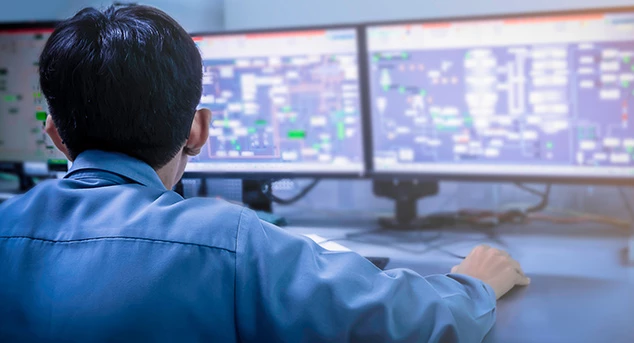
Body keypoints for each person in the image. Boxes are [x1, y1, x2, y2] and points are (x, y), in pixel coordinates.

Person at [0, 4, 529, 342]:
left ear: (55, 135)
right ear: (198, 131)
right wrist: (473, 285)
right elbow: (406, 321)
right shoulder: (224, 242)